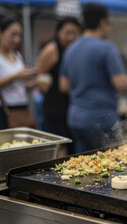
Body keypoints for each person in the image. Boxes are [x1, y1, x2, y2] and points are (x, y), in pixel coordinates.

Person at [59, 3, 127, 153]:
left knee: (84, 166)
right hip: (102, 120)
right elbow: (120, 83)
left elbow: (64, 86)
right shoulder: (106, 48)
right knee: (109, 167)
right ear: (102, 23)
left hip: (75, 119)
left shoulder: (70, 49)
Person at [0, 17, 37, 131]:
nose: (17, 40)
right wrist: (16, 76)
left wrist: (34, 81)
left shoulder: (16, 55)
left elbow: (20, 88)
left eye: (19, 35)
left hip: (21, 109)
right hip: (2, 111)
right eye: (13, 34)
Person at [36, 17, 81, 155]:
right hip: (55, 107)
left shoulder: (76, 50)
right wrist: (43, 82)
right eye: (67, 32)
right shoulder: (51, 50)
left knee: (73, 146)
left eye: (74, 33)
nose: (71, 37)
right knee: (61, 147)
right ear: (58, 32)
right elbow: (40, 76)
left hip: (72, 106)